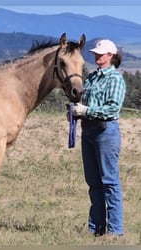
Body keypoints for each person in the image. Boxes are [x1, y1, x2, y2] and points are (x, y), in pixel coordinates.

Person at [72, 39, 126, 237]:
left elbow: (112, 108)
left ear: (111, 56)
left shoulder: (114, 79)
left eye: (101, 54)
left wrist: (86, 110)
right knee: (94, 183)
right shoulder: (92, 77)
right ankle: (96, 228)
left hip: (105, 132)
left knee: (109, 182)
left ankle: (115, 230)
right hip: (88, 132)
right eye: (96, 53)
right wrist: (76, 112)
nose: (97, 56)